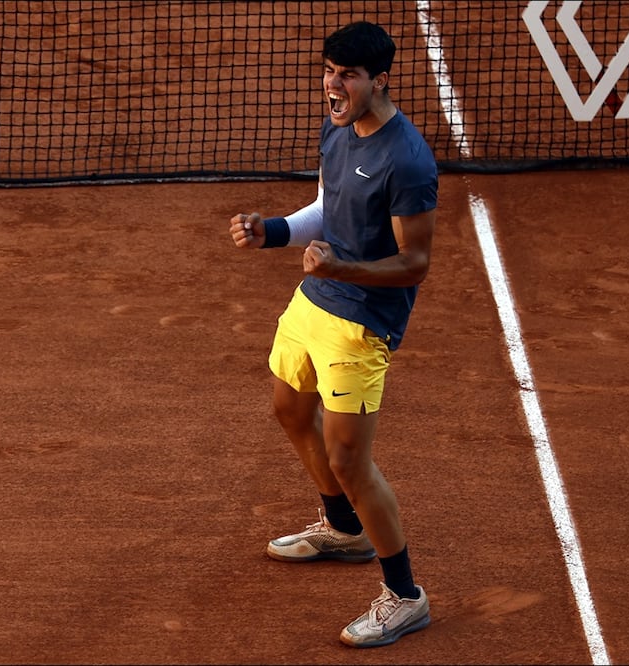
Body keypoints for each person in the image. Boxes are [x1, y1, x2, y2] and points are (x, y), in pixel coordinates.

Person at [228, 20, 438, 648]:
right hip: (314, 302)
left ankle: (405, 595)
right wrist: (272, 230)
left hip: (363, 322)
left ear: (379, 79)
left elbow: (415, 261)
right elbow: (327, 207)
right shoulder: (338, 128)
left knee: (350, 459)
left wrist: (340, 265)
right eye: (328, 70)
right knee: (289, 409)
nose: (332, 84)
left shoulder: (408, 159)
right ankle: (343, 530)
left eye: (346, 74)